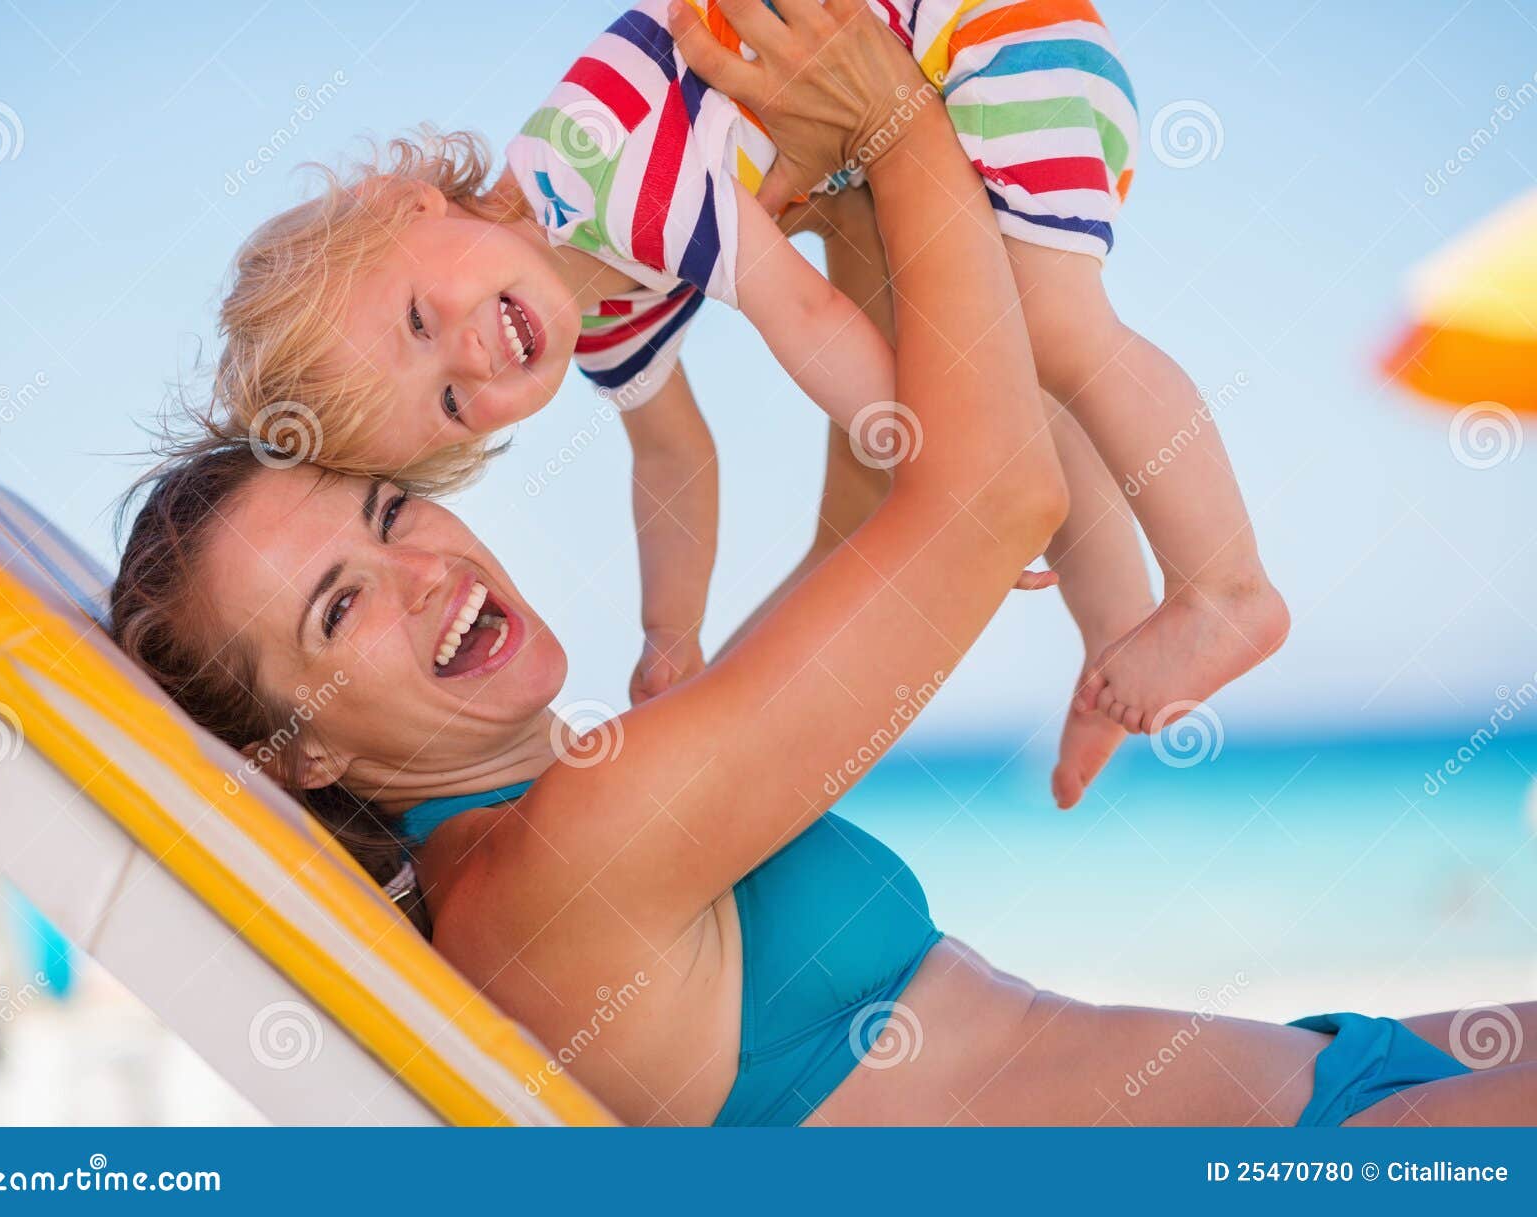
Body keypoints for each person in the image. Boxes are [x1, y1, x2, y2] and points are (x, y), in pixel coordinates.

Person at [116, 3, 1532, 1126]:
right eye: (339, 606)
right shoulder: (559, 873)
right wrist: (904, 128)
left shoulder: (575, 800)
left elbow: (879, 525)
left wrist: (860, 217)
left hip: (1338, 1080)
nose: (423, 568)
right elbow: (988, 497)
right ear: (296, 756)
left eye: (385, 512)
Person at [209, 0, 1285, 779]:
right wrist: (669, 633)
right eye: (447, 401)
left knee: (1051, 327)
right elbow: (674, 457)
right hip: (924, 96)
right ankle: (1115, 639)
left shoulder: (592, 171)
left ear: (409, 206)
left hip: (978, 37)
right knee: (1029, 356)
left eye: (415, 318)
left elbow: (806, 317)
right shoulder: (595, 310)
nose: (473, 355)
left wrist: (949, 464)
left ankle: (1229, 588)